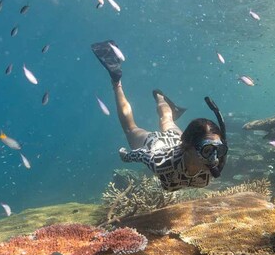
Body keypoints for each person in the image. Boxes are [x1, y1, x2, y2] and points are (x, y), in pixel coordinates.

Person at [91, 40, 228, 191]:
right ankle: (116, 82)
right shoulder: (160, 163)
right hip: (157, 144)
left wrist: (211, 149)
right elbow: (142, 154)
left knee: (167, 119)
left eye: (219, 150)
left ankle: (160, 97)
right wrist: (126, 156)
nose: (214, 159)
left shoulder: (214, 162)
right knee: (131, 129)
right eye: (207, 150)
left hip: (175, 138)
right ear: (188, 146)